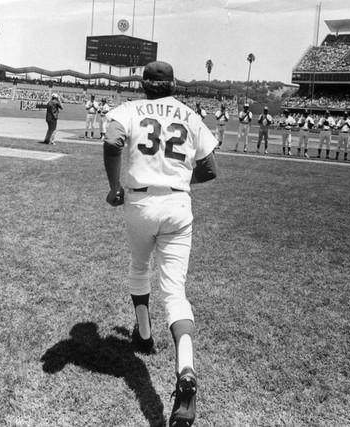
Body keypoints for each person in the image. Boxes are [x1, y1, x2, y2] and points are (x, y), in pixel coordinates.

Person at [103, 61, 218, 427]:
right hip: (177, 203)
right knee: (175, 294)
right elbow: (211, 168)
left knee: (140, 267)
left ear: (144, 83)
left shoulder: (126, 110)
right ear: (173, 83)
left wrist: (114, 187)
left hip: (139, 202)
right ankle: (185, 370)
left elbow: (112, 142)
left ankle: (145, 335)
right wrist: (178, 181)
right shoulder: (190, 114)